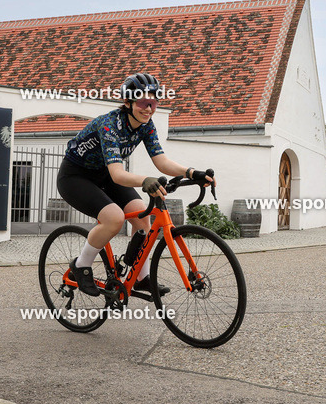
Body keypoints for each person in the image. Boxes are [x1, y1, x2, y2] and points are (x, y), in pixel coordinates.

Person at [57, 73, 212, 299]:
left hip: (105, 176)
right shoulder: (109, 125)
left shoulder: (146, 126)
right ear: (128, 103)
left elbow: (161, 161)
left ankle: (141, 277)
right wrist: (145, 180)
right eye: (142, 103)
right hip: (76, 176)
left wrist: (191, 172)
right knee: (114, 218)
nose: (148, 109)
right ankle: (81, 265)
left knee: (142, 214)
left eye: (153, 103)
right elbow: (118, 174)